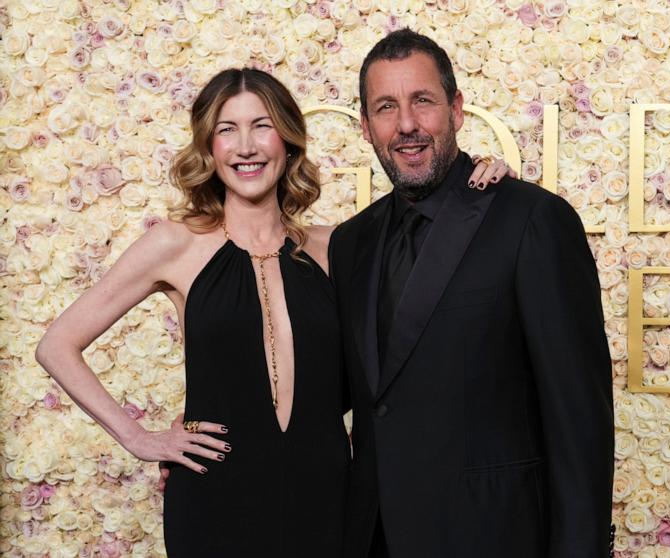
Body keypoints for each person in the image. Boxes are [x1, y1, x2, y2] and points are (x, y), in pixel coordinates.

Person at [35, 67, 511, 557]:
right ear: (208, 147)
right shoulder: (174, 246)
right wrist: (139, 438)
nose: (246, 146)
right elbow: (56, 345)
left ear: (287, 140)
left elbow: (434, 246)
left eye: (261, 125)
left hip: (326, 496)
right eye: (227, 129)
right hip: (214, 496)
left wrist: (481, 184)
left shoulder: (337, 246)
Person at [328, 29, 614, 558]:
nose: (407, 125)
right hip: (372, 538)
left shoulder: (532, 220)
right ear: (366, 127)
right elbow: (347, 392)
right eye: (386, 107)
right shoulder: (350, 243)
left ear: (457, 110)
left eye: (423, 102)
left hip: (494, 537)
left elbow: (579, 418)